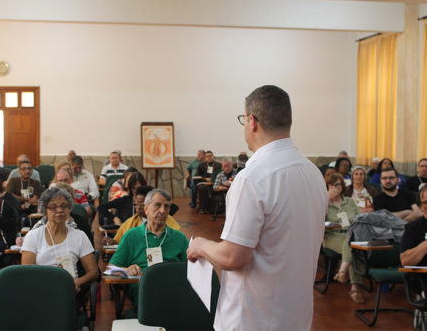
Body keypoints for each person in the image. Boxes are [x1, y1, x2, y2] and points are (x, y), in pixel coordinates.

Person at [187, 85, 328, 330]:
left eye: (243, 119)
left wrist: (200, 245)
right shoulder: (313, 173)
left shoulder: (251, 178)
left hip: (252, 319)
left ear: (252, 121)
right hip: (296, 317)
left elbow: (234, 257)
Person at [109, 189, 188, 307]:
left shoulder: (179, 238)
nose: (162, 211)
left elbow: (193, 270)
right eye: (157, 205)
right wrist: (127, 270)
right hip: (144, 289)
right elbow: (110, 270)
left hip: (172, 288)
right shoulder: (132, 236)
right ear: (146, 209)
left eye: (166, 207)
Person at [21, 187, 98, 292]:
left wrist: (78, 281)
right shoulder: (33, 236)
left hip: (69, 289)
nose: (60, 210)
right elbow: (26, 273)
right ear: (45, 210)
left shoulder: (79, 236)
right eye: (53, 207)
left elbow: (93, 272)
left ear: (69, 208)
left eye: (64, 206)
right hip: (40, 289)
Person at [324, 173, 364, 303]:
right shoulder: (323, 202)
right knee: (353, 246)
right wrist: (326, 200)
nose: (335, 187)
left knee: (352, 244)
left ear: (342, 186)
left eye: (338, 184)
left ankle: (343, 271)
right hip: (332, 235)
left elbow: (360, 218)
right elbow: (317, 221)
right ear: (327, 187)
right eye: (332, 185)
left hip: (350, 233)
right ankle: (355, 288)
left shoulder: (350, 201)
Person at [105, 185, 180, 245]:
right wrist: (112, 241)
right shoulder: (132, 221)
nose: (138, 207)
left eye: (141, 204)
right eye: (136, 204)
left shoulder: (167, 221)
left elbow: (176, 240)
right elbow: (118, 240)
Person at [400, 185, 427, 266]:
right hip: (422, 276)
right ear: (420, 206)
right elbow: (405, 261)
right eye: (426, 202)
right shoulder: (413, 227)